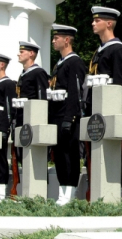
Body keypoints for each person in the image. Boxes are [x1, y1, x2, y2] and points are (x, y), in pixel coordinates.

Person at [49, 24, 87, 205]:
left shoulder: (74, 62)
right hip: (57, 114)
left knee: (69, 155)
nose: (53, 41)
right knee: (59, 155)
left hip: (67, 116)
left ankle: (70, 192)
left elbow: (75, 93)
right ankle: (62, 190)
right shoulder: (59, 64)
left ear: (67, 40)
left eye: (57, 38)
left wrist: (70, 118)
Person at [0, 53, 18, 202]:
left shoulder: (8, 84)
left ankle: (1, 191)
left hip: (1, 126)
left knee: (0, 159)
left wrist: (7, 127)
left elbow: (9, 107)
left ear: (2, 65)